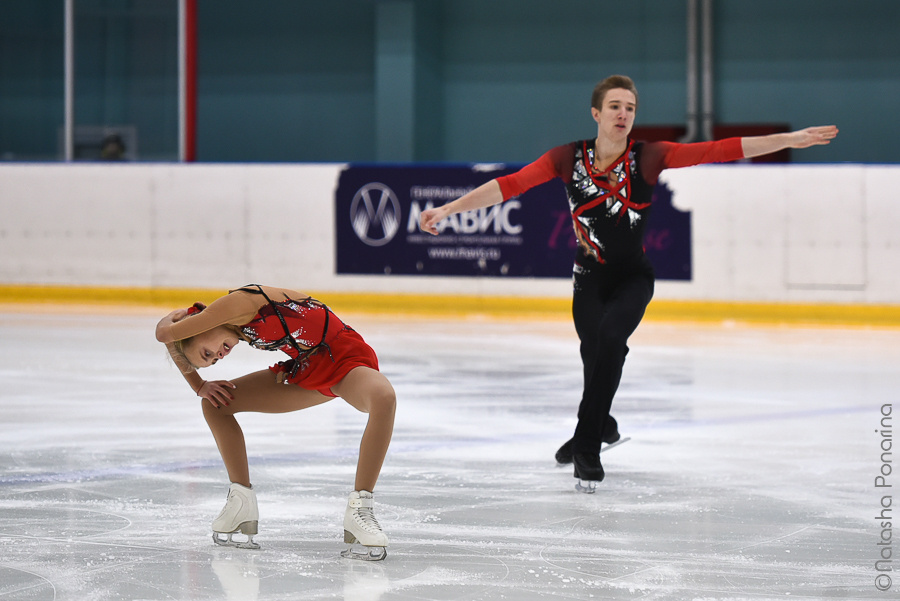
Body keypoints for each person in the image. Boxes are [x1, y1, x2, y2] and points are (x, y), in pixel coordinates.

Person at [419, 74, 838, 493]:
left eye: (630, 108)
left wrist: (788, 140)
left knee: (611, 340)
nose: (623, 114)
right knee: (594, 355)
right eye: (615, 107)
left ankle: (587, 450)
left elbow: (719, 149)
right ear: (596, 113)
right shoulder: (567, 158)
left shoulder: (649, 156)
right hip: (587, 279)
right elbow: (511, 185)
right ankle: (602, 424)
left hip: (633, 278)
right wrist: (449, 209)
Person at [155, 284, 396, 560]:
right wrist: (199, 386)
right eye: (212, 361)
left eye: (207, 353)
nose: (218, 357)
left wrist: (173, 318)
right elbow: (172, 341)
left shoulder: (234, 305)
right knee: (215, 404)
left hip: (346, 360)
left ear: (197, 328)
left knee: (383, 397)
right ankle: (241, 504)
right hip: (306, 370)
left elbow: (163, 334)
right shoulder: (234, 328)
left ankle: (360, 509)